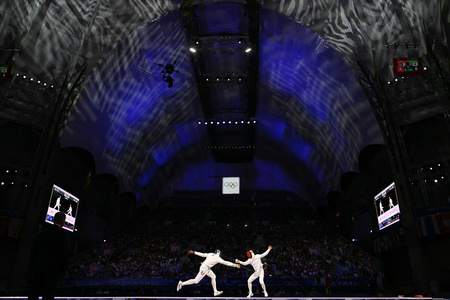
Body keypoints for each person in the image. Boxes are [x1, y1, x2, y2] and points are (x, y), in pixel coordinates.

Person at [28, 212, 69, 300]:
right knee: (48, 295)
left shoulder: (42, 232)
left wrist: (32, 267)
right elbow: (64, 253)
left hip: (38, 267)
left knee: (33, 293)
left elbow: (34, 251)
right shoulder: (63, 234)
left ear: (54, 220)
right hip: (52, 270)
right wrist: (65, 269)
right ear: (63, 221)